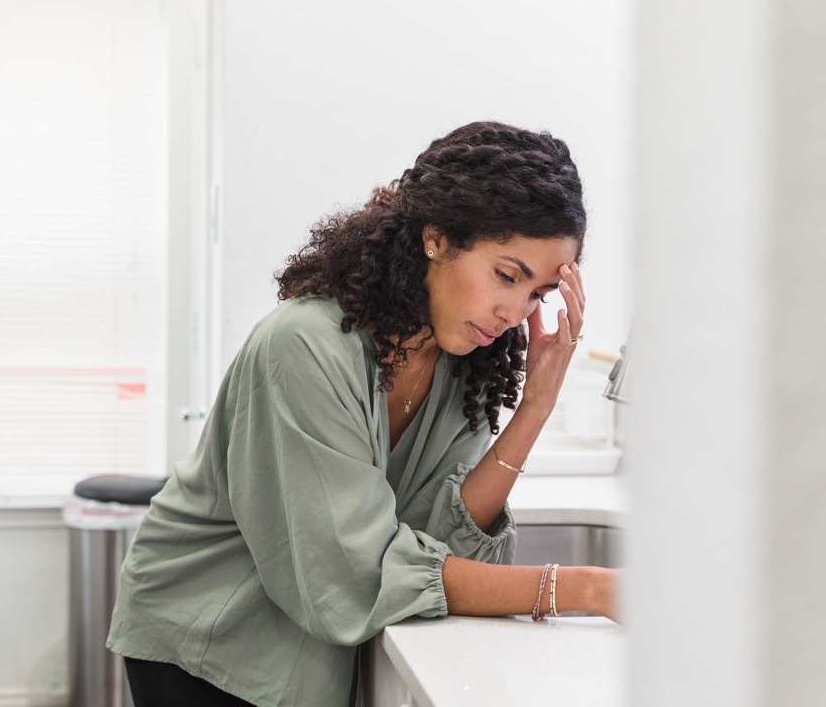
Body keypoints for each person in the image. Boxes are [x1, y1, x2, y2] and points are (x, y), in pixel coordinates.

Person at [107, 121, 620, 706]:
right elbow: (355, 576)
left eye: (537, 294)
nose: (514, 310)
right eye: (506, 275)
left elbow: (436, 545)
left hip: (311, 643)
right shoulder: (303, 347)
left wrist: (536, 407)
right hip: (210, 639)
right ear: (436, 237)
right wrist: (584, 588)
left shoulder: (461, 360)